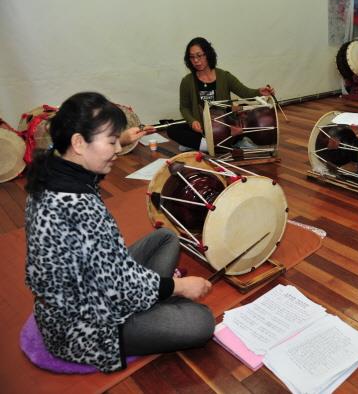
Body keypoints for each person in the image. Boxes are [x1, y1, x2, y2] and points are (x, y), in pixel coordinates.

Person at [24, 92, 215, 373]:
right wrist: (179, 287)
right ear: (78, 142)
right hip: (84, 325)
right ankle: (151, 307)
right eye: (111, 142)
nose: (116, 150)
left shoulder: (53, 168)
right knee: (201, 322)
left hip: (88, 286)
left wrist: (122, 138)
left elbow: (106, 269)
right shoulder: (78, 205)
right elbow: (118, 286)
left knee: (166, 237)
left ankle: (150, 303)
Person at [168, 37, 274, 151]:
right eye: (192, 57)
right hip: (202, 129)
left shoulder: (224, 76)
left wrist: (259, 91)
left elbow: (245, 92)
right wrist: (192, 121)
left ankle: (201, 145)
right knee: (172, 129)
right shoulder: (187, 81)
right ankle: (210, 145)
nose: (196, 61)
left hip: (225, 128)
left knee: (243, 123)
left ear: (208, 54)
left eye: (199, 55)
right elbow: (184, 107)